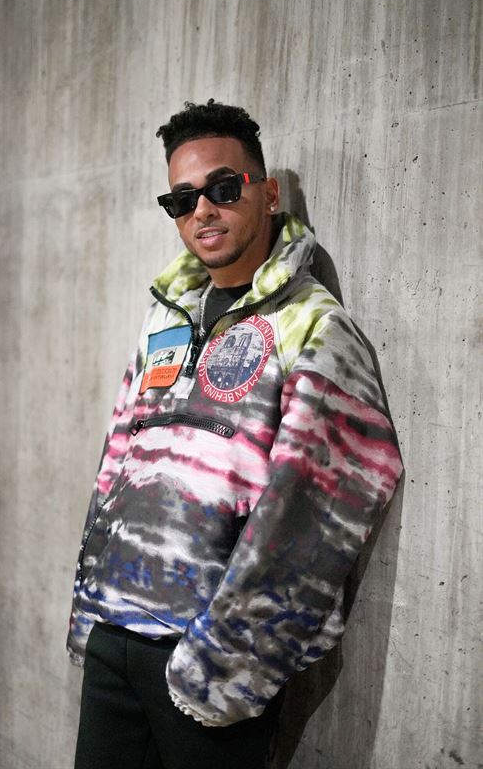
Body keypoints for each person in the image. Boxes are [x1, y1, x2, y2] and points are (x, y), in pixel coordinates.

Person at [67, 100, 403, 769]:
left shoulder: (312, 326)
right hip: (115, 635)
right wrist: (88, 611)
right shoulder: (165, 318)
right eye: (182, 198)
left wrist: (227, 660)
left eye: (223, 188)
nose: (202, 210)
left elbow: (317, 511)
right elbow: (116, 462)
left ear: (267, 193)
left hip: (208, 663)